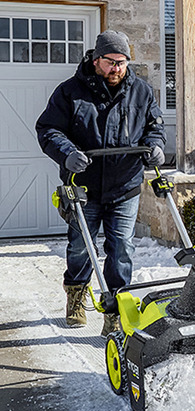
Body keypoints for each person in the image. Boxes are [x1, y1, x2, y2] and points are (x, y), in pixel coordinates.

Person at [36, 30, 166, 336]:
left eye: (122, 63)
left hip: (125, 185)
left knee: (122, 249)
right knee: (81, 246)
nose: (117, 69)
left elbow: (153, 127)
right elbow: (48, 129)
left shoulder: (142, 92)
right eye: (111, 62)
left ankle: (115, 310)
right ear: (97, 60)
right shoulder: (69, 92)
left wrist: (156, 146)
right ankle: (77, 294)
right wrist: (67, 153)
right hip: (83, 187)